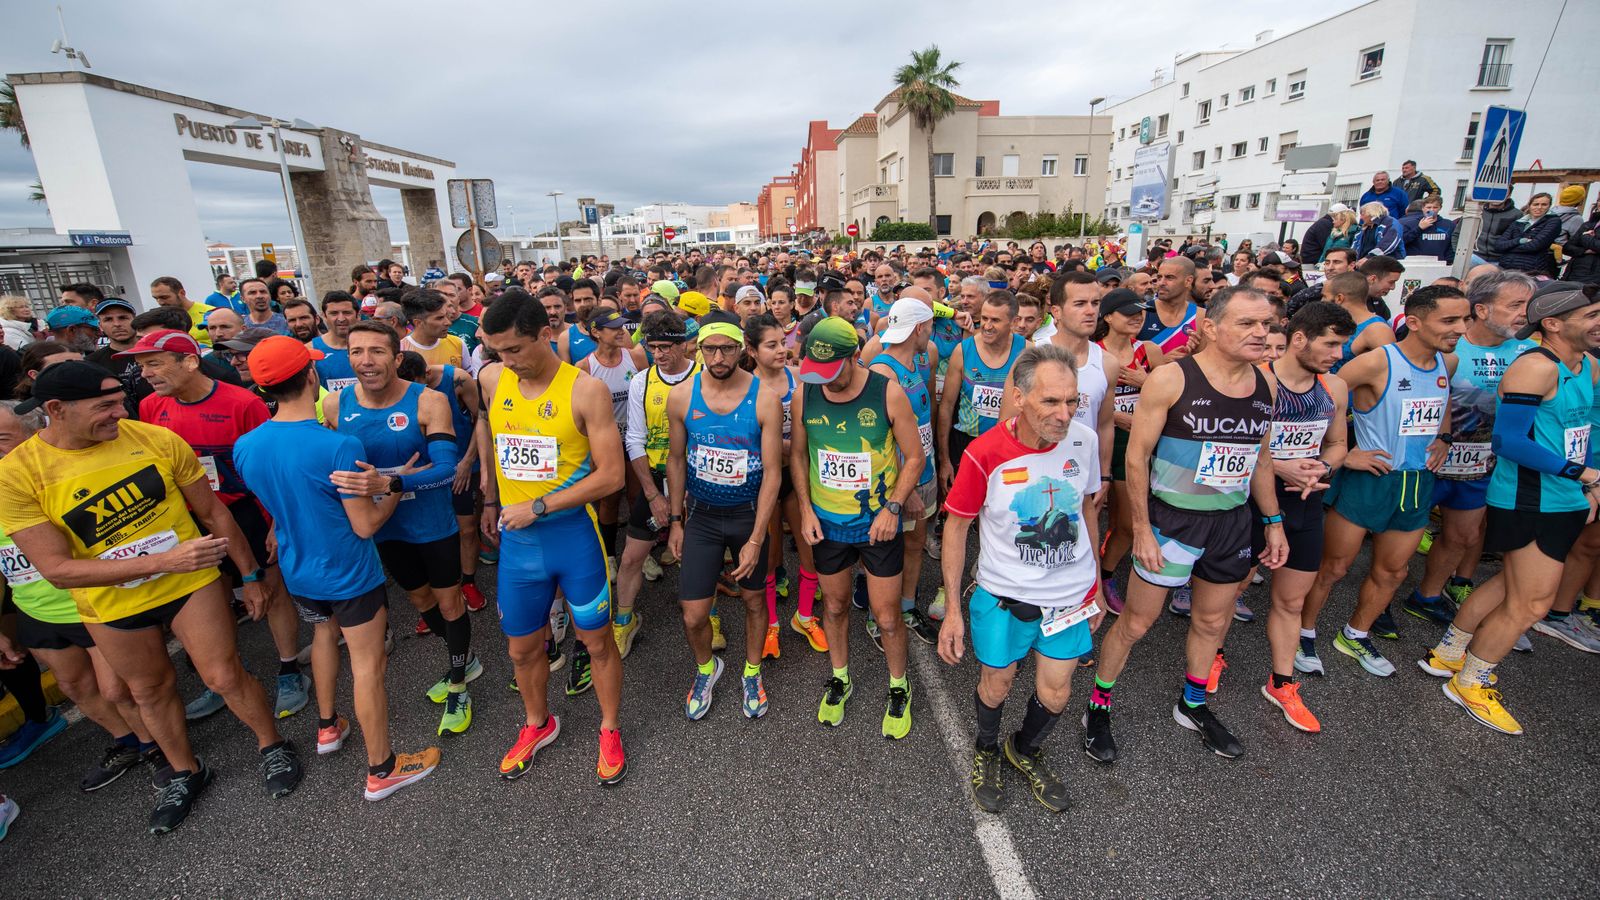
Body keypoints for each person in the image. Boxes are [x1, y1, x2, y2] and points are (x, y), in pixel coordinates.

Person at [0, 361, 301, 833]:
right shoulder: (17, 475)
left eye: (121, 400)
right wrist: (163, 561)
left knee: (223, 674)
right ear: (56, 410)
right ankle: (186, 770)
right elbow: (57, 570)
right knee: (147, 689)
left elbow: (213, 514)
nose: (121, 412)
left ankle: (272, 745)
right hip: (112, 600)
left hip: (189, 583)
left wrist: (248, 574)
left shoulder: (153, 439)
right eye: (105, 406)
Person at [1085, 286, 1288, 763]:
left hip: (1231, 522)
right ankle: (1098, 704)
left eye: (1267, 325)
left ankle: (1192, 703)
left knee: (1213, 619)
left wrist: (1273, 522)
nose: (1261, 333)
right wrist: (1142, 530)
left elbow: (1260, 461)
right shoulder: (1172, 379)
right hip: (1173, 522)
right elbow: (1136, 459)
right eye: (1247, 324)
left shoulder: (1268, 384)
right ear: (1212, 328)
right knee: (1136, 622)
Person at [234, 336, 441, 799]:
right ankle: (382, 769)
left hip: (297, 567)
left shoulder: (247, 445)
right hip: (348, 569)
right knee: (368, 664)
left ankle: (327, 727)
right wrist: (393, 486)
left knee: (322, 635)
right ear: (311, 377)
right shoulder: (338, 445)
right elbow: (365, 526)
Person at [1420, 281, 1600, 734]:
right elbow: (1509, 440)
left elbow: (1589, 427)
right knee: (1532, 603)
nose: (1599, 323)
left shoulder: (1586, 366)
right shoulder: (1535, 369)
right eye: (1592, 315)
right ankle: (1471, 683)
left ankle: (1448, 654)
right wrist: (1584, 475)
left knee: (1508, 585)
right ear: (1554, 323)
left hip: (1564, 497)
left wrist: (1590, 483)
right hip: (1531, 498)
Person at [937, 343, 1102, 813]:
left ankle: (1023, 749)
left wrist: (1095, 584)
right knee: (998, 683)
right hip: (1004, 595)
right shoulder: (984, 452)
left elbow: (1088, 506)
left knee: (1056, 693)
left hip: (1069, 596)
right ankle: (987, 748)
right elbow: (956, 527)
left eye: (1072, 401)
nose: (1064, 413)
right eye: (1051, 401)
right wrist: (952, 611)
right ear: (1019, 397)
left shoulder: (1085, 441)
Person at [476, 290, 628, 785]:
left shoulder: (585, 391)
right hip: (520, 549)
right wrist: (490, 496)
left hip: (572, 539)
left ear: (546, 333)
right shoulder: (492, 378)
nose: (508, 360)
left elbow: (611, 477)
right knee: (522, 650)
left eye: (516, 349)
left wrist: (538, 506)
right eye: (498, 350)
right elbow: (490, 431)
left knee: (597, 643)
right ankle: (538, 724)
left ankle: (609, 728)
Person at [125, 329, 309, 721]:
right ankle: (223, 678)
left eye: (154, 364)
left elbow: (269, 464)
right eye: (142, 367)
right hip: (189, 520)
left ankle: (289, 669)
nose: (146, 374)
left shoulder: (242, 403)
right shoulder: (150, 408)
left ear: (189, 361)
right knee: (215, 598)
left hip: (246, 512)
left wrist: (276, 523)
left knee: (269, 590)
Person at [1299, 286, 1467, 676]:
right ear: (1414, 322)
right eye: (1449, 320)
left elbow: (1444, 405)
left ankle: (1354, 634)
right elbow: (1326, 390)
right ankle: (1303, 631)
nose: (1459, 328)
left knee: (1393, 572)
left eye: (1464, 319)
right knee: (1334, 567)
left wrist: (1444, 436)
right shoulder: (1377, 362)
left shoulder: (1450, 363)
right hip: (1370, 478)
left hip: (1417, 482)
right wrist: (1344, 450)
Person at [325, 322, 477, 736]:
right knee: (420, 599)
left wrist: (392, 483)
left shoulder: (427, 401)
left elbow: (446, 469)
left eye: (376, 352)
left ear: (396, 358)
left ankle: (459, 682)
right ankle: (465, 658)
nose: (365, 361)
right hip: (384, 528)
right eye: (357, 352)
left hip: (431, 523)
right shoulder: (336, 406)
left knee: (449, 605)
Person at [0, 400, 157, 786]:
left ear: (33, 433)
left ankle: (158, 748)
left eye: (1, 438)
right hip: (35, 609)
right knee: (74, 687)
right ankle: (127, 742)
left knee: (117, 688)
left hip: (89, 601)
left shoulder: (56, 474)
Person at [792, 316, 925, 737]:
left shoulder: (886, 392)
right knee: (833, 607)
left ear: (855, 356)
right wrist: (806, 510)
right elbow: (797, 455)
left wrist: (893, 507)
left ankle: (899, 685)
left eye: (833, 372)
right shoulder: (805, 393)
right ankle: (840, 677)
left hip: (876, 526)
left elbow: (915, 457)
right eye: (818, 372)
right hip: (828, 524)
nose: (825, 382)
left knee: (887, 618)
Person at [664, 313, 784, 720]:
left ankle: (751, 671)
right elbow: (676, 459)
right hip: (701, 516)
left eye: (727, 348)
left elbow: (773, 472)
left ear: (741, 351)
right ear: (699, 351)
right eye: (710, 348)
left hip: (747, 516)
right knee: (694, 613)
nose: (718, 356)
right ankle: (706, 668)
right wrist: (675, 521)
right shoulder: (681, 396)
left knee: (753, 599)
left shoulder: (764, 397)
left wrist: (756, 538)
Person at [1246, 302, 1353, 732]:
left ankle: (1282, 683)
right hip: (1253, 501)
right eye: (1330, 343)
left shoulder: (1336, 387)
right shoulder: (1258, 382)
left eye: (1342, 344)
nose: (1338, 353)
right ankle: (1210, 660)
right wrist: (1281, 466)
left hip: (1306, 501)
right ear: (1299, 338)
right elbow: (1243, 443)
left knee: (1290, 600)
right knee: (1225, 597)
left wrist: (1322, 468)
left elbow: (1339, 443)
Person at [1408, 271, 1536, 620]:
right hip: (1430, 456)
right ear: (1481, 309)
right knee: (1403, 537)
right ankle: (1379, 600)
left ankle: (1428, 595)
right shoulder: (1449, 345)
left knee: (1462, 535)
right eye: (1514, 305)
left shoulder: (1531, 351)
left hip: (1483, 462)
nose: (1524, 313)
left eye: (1527, 304)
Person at [614, 308, 700, 654]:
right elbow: (634, 438)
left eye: (666, 346)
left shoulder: (704, 375)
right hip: (658, 477)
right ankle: (624, 620)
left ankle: (708, 618)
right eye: (653, 347)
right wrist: (652, 495)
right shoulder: (642, 381)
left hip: (698, 477)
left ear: (683, 346)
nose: (659, 354)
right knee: (633, 556)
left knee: (698, 556)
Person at [868, 296, 943, 645]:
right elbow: (879, 439)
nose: (931, 334)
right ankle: (877, 616)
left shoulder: (920, 360)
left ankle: (908, 606)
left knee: (914, 545)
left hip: (924, 472)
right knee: (887, 552)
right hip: (902, 481)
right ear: (918, 330)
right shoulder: (883, 372)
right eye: (929, 328)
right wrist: (906, 487)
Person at [1091, 289, 1165, 614]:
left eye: (1141, 312)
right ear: (1107, 317)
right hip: (1105, 440)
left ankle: (1107, 575)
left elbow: (1173, 399)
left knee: (1127, 523)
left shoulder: (1150, 350)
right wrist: (1115, 416)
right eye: (1129, 313)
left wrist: (1144, 381)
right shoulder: (1093, 352)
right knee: (1092, 517)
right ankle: (1091, 579)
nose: (1138, 317)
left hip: (1142, 443)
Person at [396, 353, 486, 613]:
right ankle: (437, 599)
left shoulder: (458, 379)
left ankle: (468, 582)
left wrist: (467, 462)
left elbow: (482, 419)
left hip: (462, 466)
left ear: (426, 375)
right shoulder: (396, 391)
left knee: (467, 528)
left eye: (417, 386)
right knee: (431, 534)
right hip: (427, 470)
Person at [938, 290, 1025, 491]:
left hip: (1008, 444)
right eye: (984, 318)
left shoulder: (1026, 352)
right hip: (966, 443)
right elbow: (947, 408)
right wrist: (944, 460)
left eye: (995, 320)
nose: (986, 326)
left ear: (1013, 322)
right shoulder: (963, 350)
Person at [1139, 257, 1204, 357]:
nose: (1161, 283)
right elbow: (1124, 357)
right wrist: (1160, 362)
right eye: (1159, 277)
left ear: (1188, 281)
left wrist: (1195, 353)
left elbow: (1208, 362)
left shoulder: (1201, 316)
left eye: (1169, 277)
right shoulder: (1141, 311)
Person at [1492, 193, 1564, 276]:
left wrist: (1508, 247)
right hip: (1506, 267)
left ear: (1549, 206)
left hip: (1531, 270)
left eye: (1544, 204)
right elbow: (1498, 245)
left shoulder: (1553, 221)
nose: (1539, 207)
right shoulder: (1518, 222)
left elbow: (1535, 245)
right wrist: (1520, 241)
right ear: (1529, 206)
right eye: (1536, 204)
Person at [400, 289, 466, 368]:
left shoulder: (458, 343)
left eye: (446, 315)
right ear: (418, 323)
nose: (448, 322)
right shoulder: (400, 350)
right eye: (439, 318)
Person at [312, 291, 360, 392]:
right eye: (334, 313)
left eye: (347, 313)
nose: (341, 319)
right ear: (324, 316)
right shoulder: (310, 349)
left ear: (358, 315)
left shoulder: (372, 346)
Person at [148, 276, 216, 347]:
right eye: (156, 298)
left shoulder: (211, 312)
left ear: (182, 293)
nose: (160, 302)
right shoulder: (161, 319)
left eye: (164, 297)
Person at [1401, 196, 1457, 263]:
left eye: (1435, 207)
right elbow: (1402, 241)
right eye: (1428, 207)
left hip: (1440, 264)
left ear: (1440, 208)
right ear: (1423, 208)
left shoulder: (1449, 225)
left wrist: (1448, 262)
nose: (1431, 210)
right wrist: (1419, 228)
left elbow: (1452, 246)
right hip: (1415, 264)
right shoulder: (1410, 224)